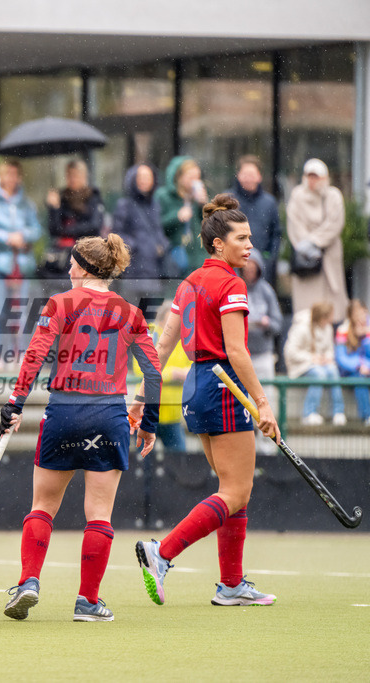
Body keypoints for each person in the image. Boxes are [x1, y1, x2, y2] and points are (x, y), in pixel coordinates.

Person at [0, 234, 161, 622]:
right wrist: (148, 422)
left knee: (43, 506)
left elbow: (36, 354)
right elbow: (153, 374)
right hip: (109, 416)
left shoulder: (60, 303)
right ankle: (88, 602)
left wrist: (14, 403)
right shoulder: (131, 313)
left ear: (86, 269)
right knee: (99, 513)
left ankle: (28, 582)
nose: (69, 271)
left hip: (64, 413)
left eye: (73, 265)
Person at [133, 194, 281, 609]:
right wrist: (263, 403)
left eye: (251, 238)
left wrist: (143, 396)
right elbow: (237, 351)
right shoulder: (233, 283)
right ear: (219, 243)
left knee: (232, 490)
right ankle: (161, 554)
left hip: (196, 387)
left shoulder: (190, 282)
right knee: (237, 490)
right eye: (242, 238)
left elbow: (160, 348)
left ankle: (231, 585)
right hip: (224, 384)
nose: (250, 245)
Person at [0, 158, 42, 368]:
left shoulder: (26, 203)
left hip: (20, 264)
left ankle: (19, 353)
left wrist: (23, 236)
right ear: (1, 176)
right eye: (8, 174)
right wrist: (7, 237)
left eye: (15, 174)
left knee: (21, 311)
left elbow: (36, 229)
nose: (12, 178)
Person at [286, 158, 347, 324]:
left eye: (316, 176)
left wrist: (314, 241)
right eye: (309, 176)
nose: (312, 181)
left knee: (331, 311)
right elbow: (294, 223)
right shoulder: (297, 195)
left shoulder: (333, 195)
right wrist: (306, 245)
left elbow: (335, 224)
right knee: (306, 313)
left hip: (329, 256)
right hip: (306, 259)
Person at [133, 302, 190, 455]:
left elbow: (192, 369)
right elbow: (140, 370)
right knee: (143, 463)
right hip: (147, 414)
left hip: (172, 416)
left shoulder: (185, 339)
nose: (174, 326)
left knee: (179, 461)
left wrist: (180, 373)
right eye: (170, 321)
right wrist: (174, 374)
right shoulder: (149, 336)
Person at [112, 163, 169, 307]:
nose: (144, 181)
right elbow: (117, 234)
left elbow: (157, 229)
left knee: (151, 316)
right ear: (132, 179)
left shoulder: (155, 204)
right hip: (133, 269)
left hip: (153, 268)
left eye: (148, 177)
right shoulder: (125, 204)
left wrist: (161, 244)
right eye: (141, 177)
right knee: (131, 313)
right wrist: (136, 246)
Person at [241, 250, 283, 445]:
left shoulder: (266, 290)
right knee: (245, 403)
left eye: (253, 267)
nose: (249, 270)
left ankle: (267, 445)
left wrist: (266, 323)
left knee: (266, 400)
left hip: (263, 354)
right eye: (246, 267)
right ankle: (249, 444)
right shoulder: (237, 288)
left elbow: (278, 323)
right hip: (242, 355)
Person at [284, 301, 346, 426]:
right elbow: (290, 352)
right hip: (300, 367)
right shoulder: (301, 327)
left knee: (333, 371)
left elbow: (329, 349)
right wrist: (312, 358)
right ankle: (309, 413)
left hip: (320, 364)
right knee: (319, 374)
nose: (332, 319)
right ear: (322, 317)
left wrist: (326, 358)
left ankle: (338, 412)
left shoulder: (327, 328)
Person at [43, 160, 105, 280]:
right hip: (63, 259)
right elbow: (54, 230)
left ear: (84, 176)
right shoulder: (61, 198)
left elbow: (94, 226)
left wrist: (68, 230)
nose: (72, 179)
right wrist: (54, 209)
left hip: (87, 257)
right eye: (69, 175)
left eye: (76, 175)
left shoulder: (93, 197)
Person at [225, 156, 281, 289]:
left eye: (252, 174)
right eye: (245, 174)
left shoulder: (269, 202)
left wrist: (269, 257)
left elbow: (276, 233)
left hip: (262, 267)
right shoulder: (227, 200)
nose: (248, 178)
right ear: (238, 176)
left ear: (259, 177)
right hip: (233, 265)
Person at [155, 156, 207, 275]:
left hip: (198, 257)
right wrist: (176, 217)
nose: (195, 181)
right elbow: (156, 225)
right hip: (174, 257)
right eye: (191, 177)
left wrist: (203, 206)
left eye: (198, 178)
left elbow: (207, 225)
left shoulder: (197, 197)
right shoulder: (163, 196)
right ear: (179, 177)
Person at [335, 299, 370, 426]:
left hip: (367, 370)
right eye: (357, 314)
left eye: (363, 313)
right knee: (359, 379)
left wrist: (366, 336)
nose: (361, 317)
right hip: (352, 372)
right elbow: (341, 358)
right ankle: (367, 416)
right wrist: (358, 366)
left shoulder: (368, 328)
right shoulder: (343, 330)